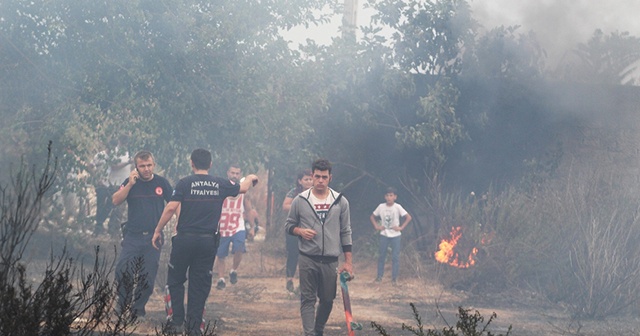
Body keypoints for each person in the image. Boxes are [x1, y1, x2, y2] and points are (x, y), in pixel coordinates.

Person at [152, 149, 258, 335]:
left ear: (192, 163)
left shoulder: (184, 183)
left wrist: (157, 230)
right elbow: (243, 187)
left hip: (184, 240)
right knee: (199, 284)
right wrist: (250, 176)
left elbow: (170, 208)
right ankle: (194, 328)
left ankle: (176, 321)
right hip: (207, 242)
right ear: (210, 164)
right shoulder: (220, 184)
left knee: (175, 281)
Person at [284, 159, 353, 336]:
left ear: (330, 178)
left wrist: (348, 262)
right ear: (312, 177)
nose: (320, 180)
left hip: (330, 259)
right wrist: (299, 231)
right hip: (307, 258)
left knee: (328, 300)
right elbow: (289, 226)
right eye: (317, 177)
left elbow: (346, 231)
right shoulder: (300, 200)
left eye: (324, 177)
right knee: (307, 299)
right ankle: (310, 334)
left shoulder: (340, 201)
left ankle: (318, 328)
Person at [111, 150, 173, 319]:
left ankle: (138, 309)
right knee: (123, 270)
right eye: (142, 166)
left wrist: (178, 226)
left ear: (154, 165)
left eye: (149, 165)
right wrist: (130, 185)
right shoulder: (131, 182)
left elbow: (174, 204)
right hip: (133, 235)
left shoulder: (162, 183)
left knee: (147, 275)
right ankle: (122, 304)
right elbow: (115, 200)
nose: (146, 169)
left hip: (154, 237)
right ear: (136, 167)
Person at [214, 164, 257, 290]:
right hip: (222, 226)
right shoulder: (221, 187)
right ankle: (221, 279)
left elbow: (249, 210)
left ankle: (233, 270)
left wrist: (252, 227)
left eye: (237, 173)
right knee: (221, 254)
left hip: (238, 225)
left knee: (239, 247)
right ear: (228, 173)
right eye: (232, 173)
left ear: (240, 174)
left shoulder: (244, 191)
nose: (235, 175)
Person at [369, 187, 412, 285]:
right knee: (381, 256)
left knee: (395, 257)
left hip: (396, 235)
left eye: (391, 195)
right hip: (384, 234)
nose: (389, 197)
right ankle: (379, 277)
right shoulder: (381, 206)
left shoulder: (397, 207)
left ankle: (394, 279)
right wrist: (377, 226)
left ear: (395, 197)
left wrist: (401, 227)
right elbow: (372, 216)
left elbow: (408, 217)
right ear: (385, 197)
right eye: (387, 195)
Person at [282, 169, 313, 292]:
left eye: (310, 179)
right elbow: (285, 206)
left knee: (307, 256)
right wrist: (299, 207)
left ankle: (303, 283)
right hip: (294, 228)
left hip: (309, 229)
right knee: (293, 254)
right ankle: (289, 279)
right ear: (300, 181)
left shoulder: (316, 193)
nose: (309, 182)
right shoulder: (294, 192)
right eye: (306, 179)